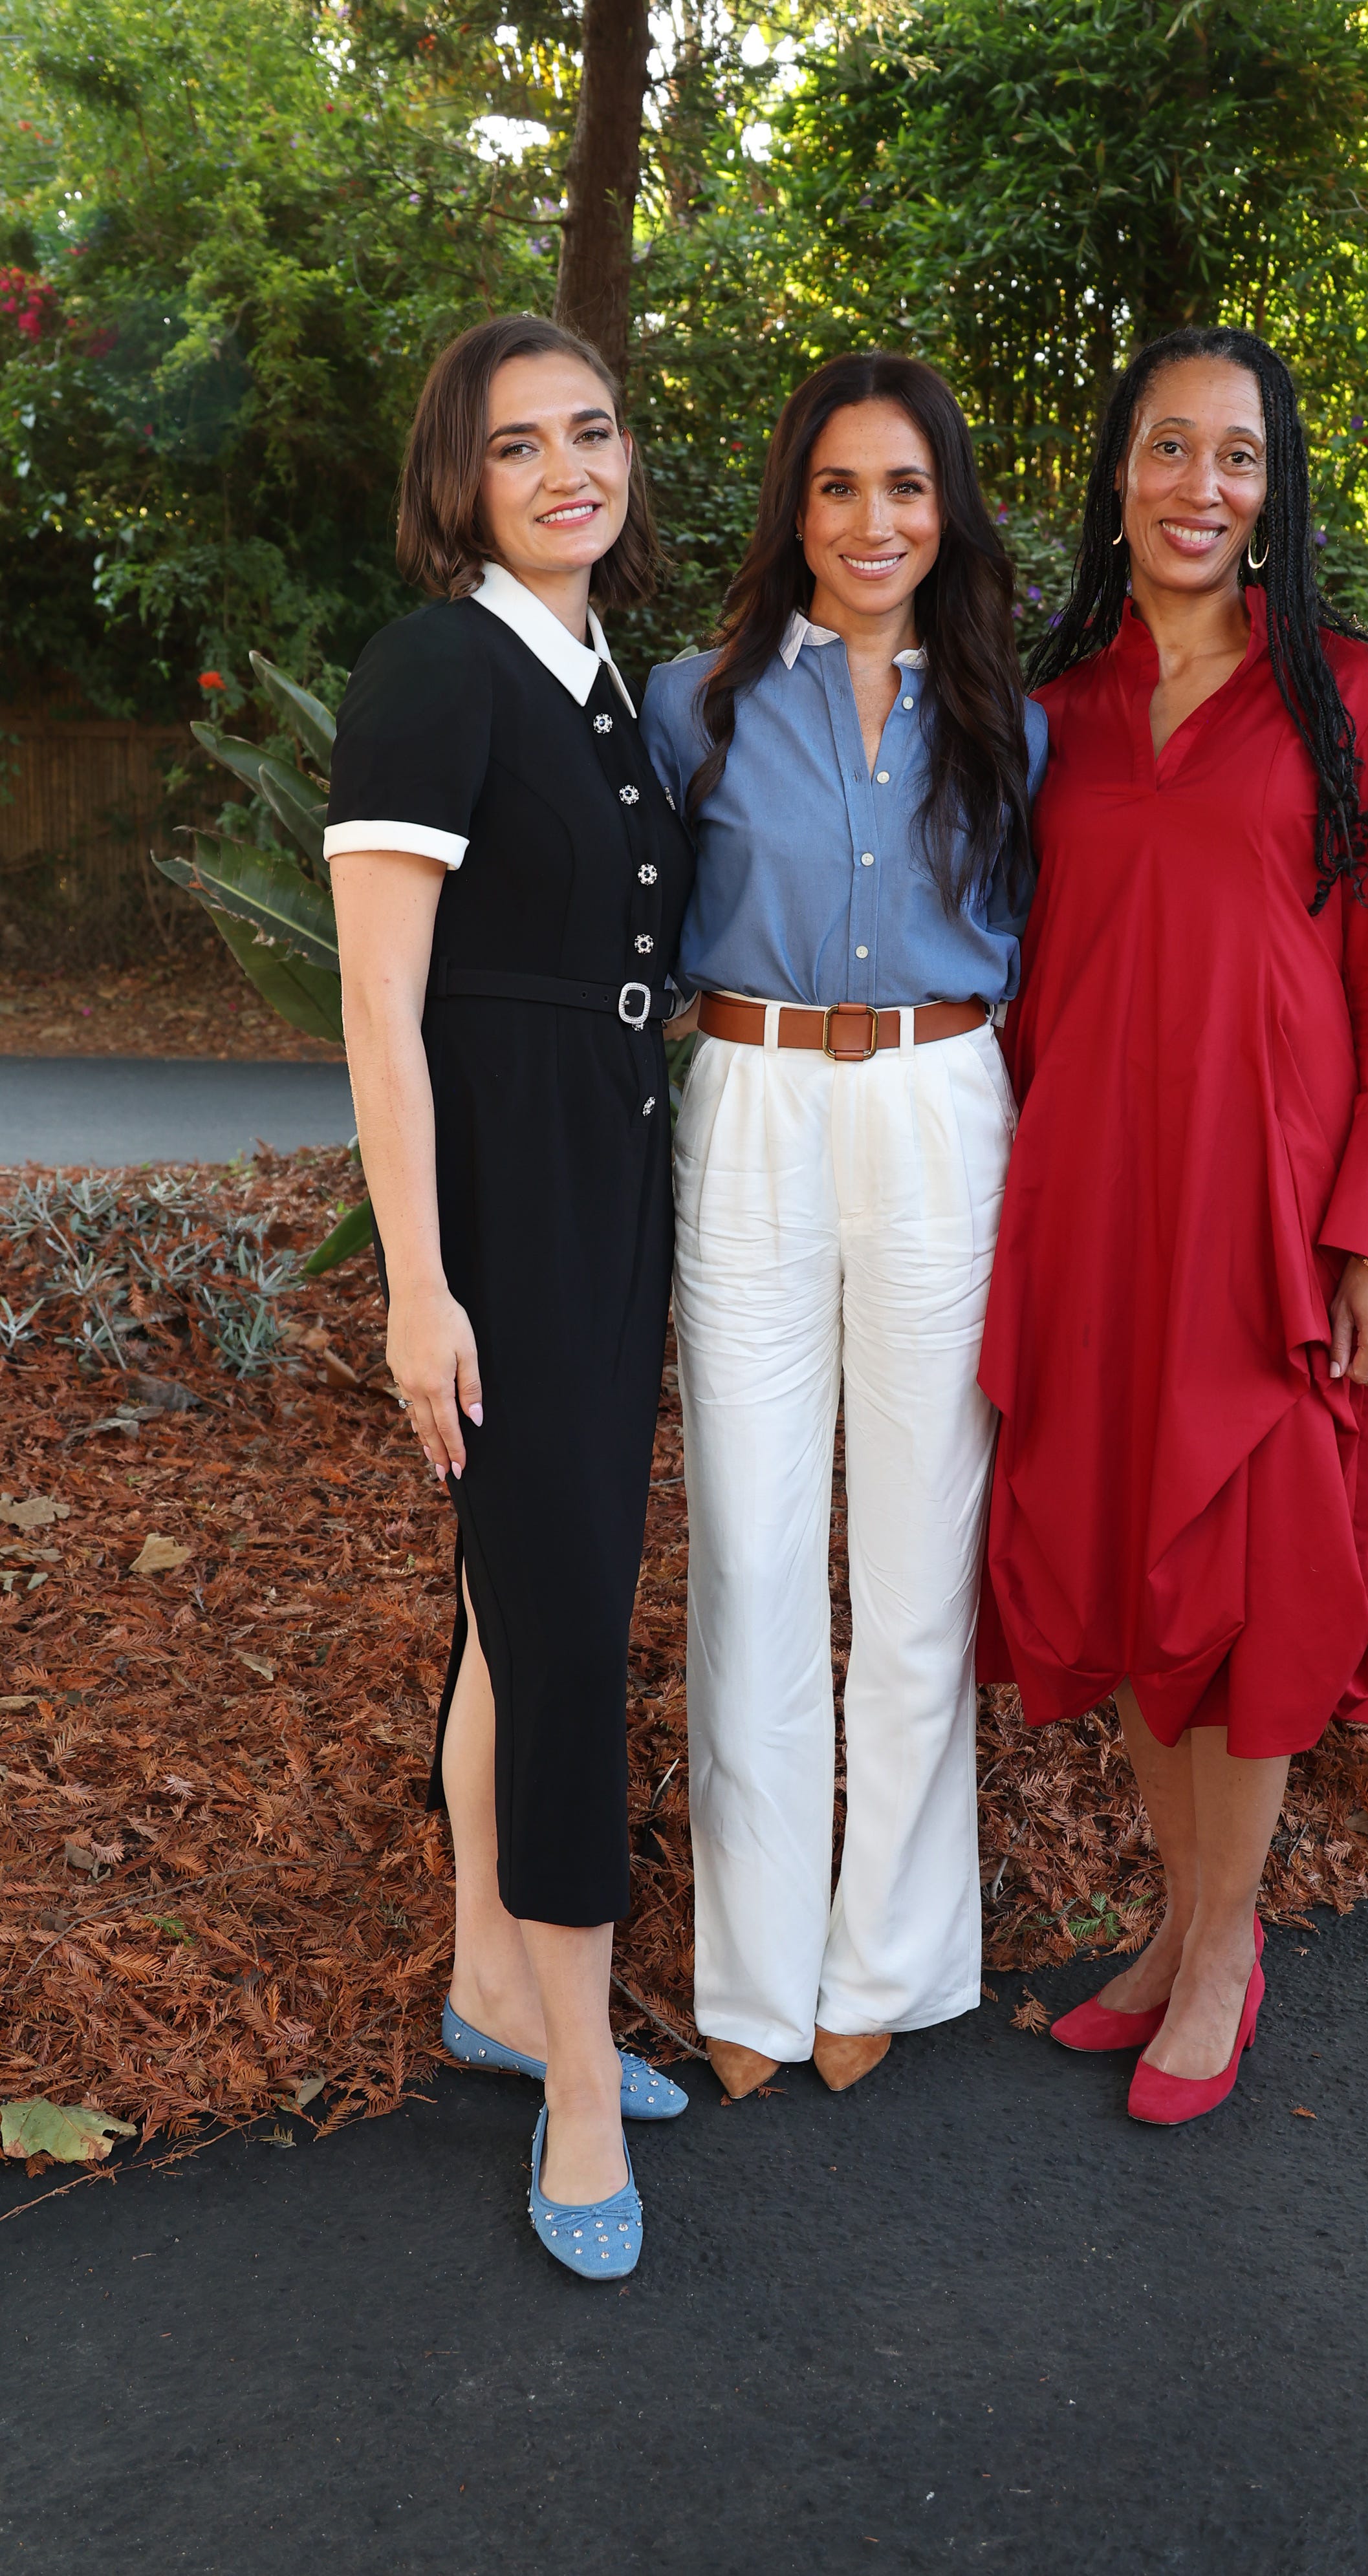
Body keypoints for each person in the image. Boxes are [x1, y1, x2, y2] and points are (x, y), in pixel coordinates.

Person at [979, 325, 1368, 2125]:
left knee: (1248, 1601)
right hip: (1101, 1214)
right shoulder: (1052, 708)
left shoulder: (1349, 695)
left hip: (1275, 1222)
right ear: (1121, 471)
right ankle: (1181, 1934)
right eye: (1170, 451)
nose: (1201, 488)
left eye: (1238, 458)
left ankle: (1229, 1951)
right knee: (1132, 1585)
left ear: (1277, 492)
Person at [324, 314, 696, 2279]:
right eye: (520, 444)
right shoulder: (434, 667)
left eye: (596, 432)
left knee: (514, 1618)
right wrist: (420, 1291)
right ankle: (571, 2088)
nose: (569, 469)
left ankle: (493, 1984)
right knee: (560, 1644)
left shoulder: (599, 683)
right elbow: (382, 1013)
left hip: (609, 1181)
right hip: (509, 1211)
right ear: (459, 480)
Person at [640, 352, 1048, 2101]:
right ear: (792, 508)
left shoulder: (1008, 722)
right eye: (836, 486)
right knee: (746, 1541)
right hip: (752, 1104)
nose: (871, 520)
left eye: (903, 486)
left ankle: (884, 1957)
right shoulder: (696, 704)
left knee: (914, 1556)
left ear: (943, 508)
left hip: (944, 1113)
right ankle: (752, 1978)